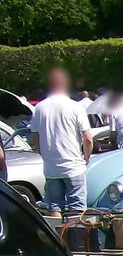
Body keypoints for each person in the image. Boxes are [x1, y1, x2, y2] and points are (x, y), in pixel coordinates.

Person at [29, 68, 92, 213]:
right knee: (77, 209)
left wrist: (44, 155)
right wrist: (86, 157)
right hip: (73, 165)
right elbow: (88, 138)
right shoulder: (75, 107)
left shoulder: (39, 108)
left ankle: (58, 235)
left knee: (55, 207)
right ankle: (75, 235)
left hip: (51, 167)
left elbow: (35, 139)